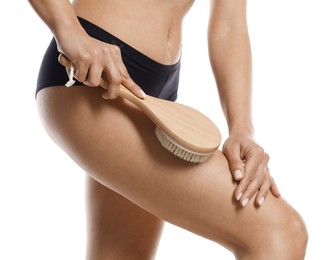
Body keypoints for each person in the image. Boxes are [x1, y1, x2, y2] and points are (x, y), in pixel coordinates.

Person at [28, 0, 308, 259]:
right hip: (93, 71)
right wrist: (69, 32)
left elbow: (229, 25)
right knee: (280, 232)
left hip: (159, 93)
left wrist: (242, 128)